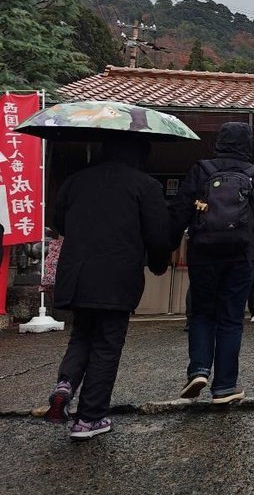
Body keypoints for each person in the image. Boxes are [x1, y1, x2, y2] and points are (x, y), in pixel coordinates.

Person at [44, 138, 171, 441]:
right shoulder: (144, 185)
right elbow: (158, 234)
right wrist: (157, 263)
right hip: (117, 278)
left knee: (81, 336)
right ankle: (89, 418)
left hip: (78, 274)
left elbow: (59, 222)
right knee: (106, 346)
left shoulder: (76, 181)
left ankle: (65, 383)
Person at [169, 122, 254, 404]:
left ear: (219, 141)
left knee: (201, 313)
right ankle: (224, 386)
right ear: (248, 144)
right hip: (242, 255)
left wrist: (164, 249)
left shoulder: (202, 170)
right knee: (231, 319)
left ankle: (198, 369)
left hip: (203, 253)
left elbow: (179, 212)